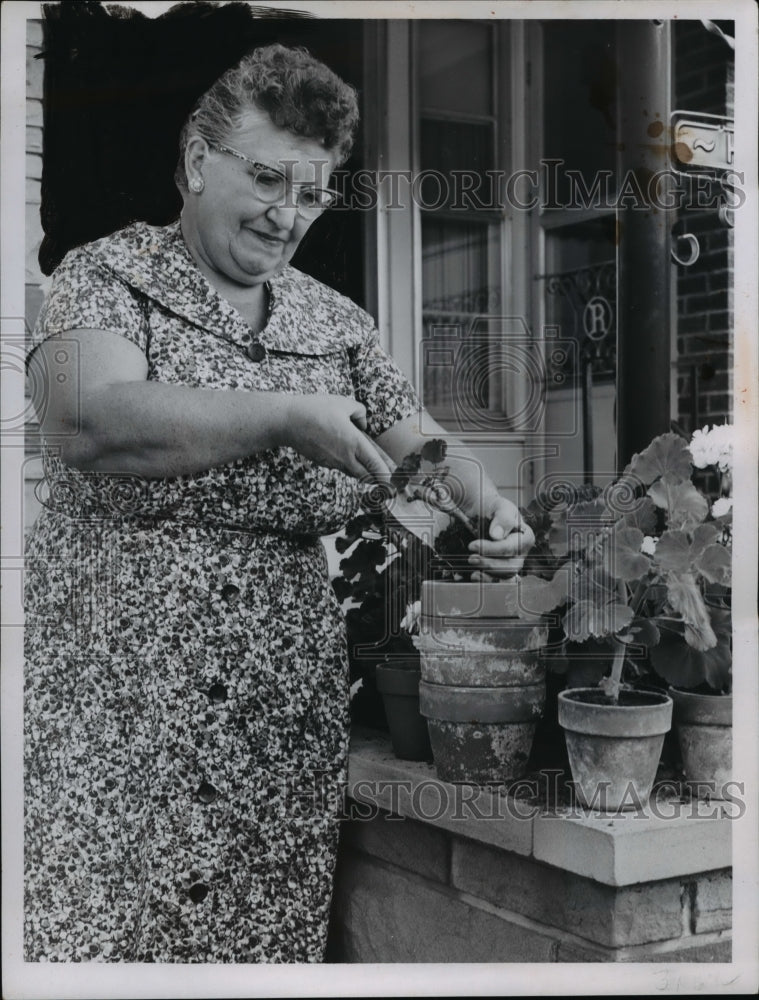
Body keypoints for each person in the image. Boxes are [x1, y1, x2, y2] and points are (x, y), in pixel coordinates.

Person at [24, 43, 533, 963]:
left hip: (275, 732)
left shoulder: (333, 322)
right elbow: (82, 420)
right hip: (113, 719)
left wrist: (489, 504)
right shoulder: (100, 276)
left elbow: (420, 445)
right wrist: (283, 418)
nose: (288, 215)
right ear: (193, 162)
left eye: (312, 194)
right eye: (267, 179)